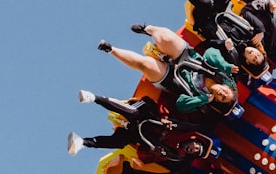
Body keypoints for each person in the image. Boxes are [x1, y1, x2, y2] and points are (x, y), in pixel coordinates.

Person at [97, 24, 239, 115]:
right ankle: (148, 29)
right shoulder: (222, 73)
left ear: (218, 100)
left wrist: (201, 99)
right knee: (166, 38)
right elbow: (210, 53)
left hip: (169, 77)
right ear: (226, 87)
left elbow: (181, 105)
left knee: (146, 64)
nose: (222, 93)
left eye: (222, 98)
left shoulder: (202, 100)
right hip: (184, 57)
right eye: (226, 92)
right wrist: (225, 66)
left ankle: (110, 49)